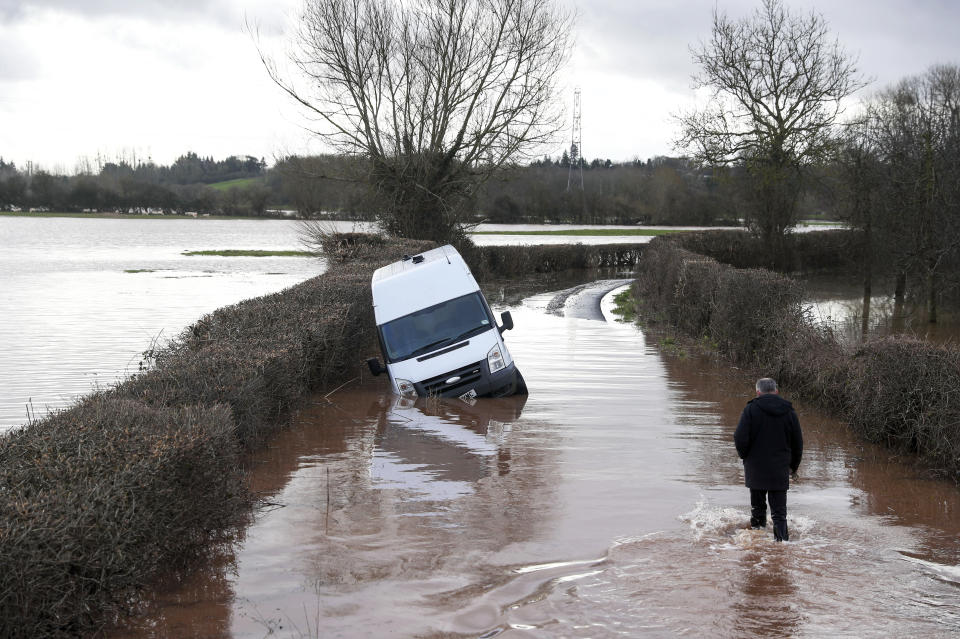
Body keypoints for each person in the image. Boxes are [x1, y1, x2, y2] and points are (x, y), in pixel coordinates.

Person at [734, 377, 803, 542]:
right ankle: (782, 547)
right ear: (776, 391)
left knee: (757, 509)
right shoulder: (789, 412)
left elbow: (739, 438)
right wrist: (793, 467)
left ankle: (758, 545)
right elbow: (798, 443)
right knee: (779, 513)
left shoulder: (750, 410)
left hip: (755, 468)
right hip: (779, 469)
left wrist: (745, 457)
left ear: (758, 393)